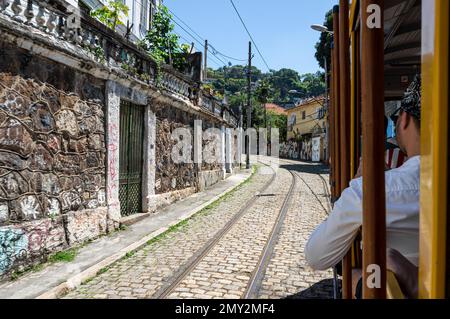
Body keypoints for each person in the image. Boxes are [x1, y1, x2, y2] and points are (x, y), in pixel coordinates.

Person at [305, 74, 422, 296]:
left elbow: (317, 256)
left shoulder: (370, 191)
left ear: (404, 119)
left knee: (355, 276)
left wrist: (355, 188)